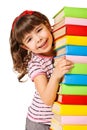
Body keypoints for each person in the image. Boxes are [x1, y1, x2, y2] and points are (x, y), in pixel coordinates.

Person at [9, 10, 73, 130]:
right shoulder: (36, 64)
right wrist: (56, 75)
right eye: (29, 39)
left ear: (47, 25)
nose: (38, 39)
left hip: (59, 119)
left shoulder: (60, 44)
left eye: (39, 30)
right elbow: (47, 99)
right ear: (25, 47)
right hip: (40, 123)